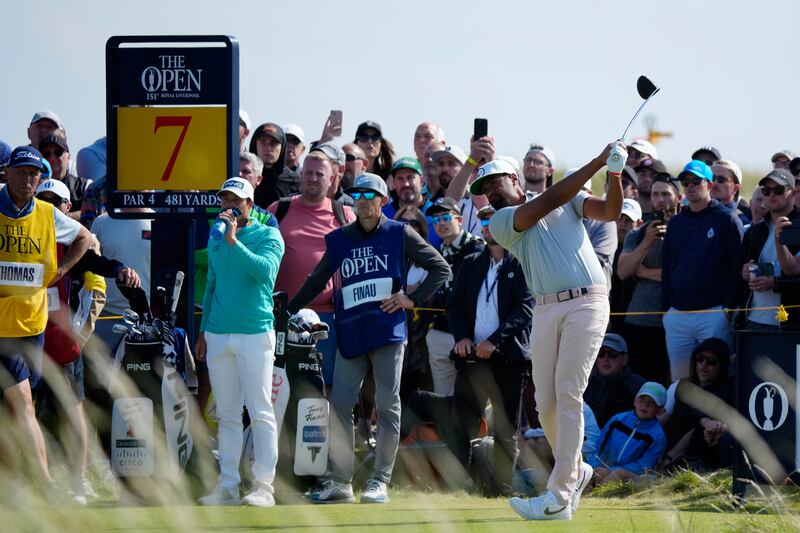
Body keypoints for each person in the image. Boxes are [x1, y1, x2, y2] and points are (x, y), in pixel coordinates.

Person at [462, 139, 627, 521]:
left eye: (494, 183)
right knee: (545, 404)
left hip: (587, 302)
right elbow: (547, 202)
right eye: (484, 190)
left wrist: (615, 174)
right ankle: (576, 470)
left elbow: (610, 210)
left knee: (568, 392)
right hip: (546, 308)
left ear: (514, 178)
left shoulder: (568, 196)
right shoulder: (501, 220)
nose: (490, 193)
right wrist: (597, 162)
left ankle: (558, 496)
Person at [289, 173, 449, 504]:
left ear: (383, 201)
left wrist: (411, 298)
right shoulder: (339, 239)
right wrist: (288, 309)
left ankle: (379, 481)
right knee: (340, 405)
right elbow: (317, 280)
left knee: (388, 405)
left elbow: (440, 268)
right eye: (357, 195)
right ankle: (341, 483)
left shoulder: (399, 232)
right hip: (351, 333)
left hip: (388, 332)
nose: (362, 201)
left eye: (369, 195)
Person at [0, 146, 91, 496]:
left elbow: (84, 238)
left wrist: (61, 270)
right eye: (21, 172)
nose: (27, 179)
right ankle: (47, 484)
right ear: (7, 173)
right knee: (22, 402)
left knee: (21, 407)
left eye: (33, 174)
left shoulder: (47, 213)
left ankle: (13, 483)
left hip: (32, 324)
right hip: (2, 327)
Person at [195, 177, 285, 507]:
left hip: (255, 332)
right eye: (225, 199)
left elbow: (265, 273)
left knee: (260, 411)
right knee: (228, 414)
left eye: (236, 200)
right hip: (218, 333)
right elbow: (211, 285)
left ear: (250, 205)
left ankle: (263, 487)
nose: (229, 205)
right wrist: (203, 330)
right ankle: (228, 486)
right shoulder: (216, 236)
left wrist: (234, 241)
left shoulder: (268, 234)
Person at [446, 205, 533, 494]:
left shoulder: (521, 262)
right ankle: (459, 488)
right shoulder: (470, 261)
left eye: (492, 221)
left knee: (506, 429)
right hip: (471, 356)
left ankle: (501, 490)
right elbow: (454, 304)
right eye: (483, 221)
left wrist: (495, 341)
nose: (487, 226)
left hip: (508, 357)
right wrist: (461, 337)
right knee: (462, 424)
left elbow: (525, 308)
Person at [268, 150, 356, 390]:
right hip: (284, 316)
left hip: (328, 318)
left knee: (326, 384)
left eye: (320, 174)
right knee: (279, 385)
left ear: (332, 178)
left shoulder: (344, 214)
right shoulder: (278, 209)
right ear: (301, 175)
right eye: (308, 173)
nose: (313, 178)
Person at [661, 160, 742, 380]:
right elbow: (668, 267)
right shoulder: (676, 223)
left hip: (713, 312)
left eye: (696, 181)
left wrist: (728, 308)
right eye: (686, 182)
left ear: (709, 184)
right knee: (680, 381)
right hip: (677, 314)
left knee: (719, 378)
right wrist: (666, 310)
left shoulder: (727, 219)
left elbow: (737, 266)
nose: (690, 186)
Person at [618, 175, 681, 385]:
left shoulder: (687, 230)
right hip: (640, 320)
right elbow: (623, 271)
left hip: (676, 318)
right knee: (641, 384)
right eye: (655, 194)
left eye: (666, 194)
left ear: (678, 198)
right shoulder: (638, 234)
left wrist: (643, 272)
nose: (660, 199)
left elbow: (682, 274)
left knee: (673, 383)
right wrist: (646, 242)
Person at [425, 197, 484, 395]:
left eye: (445, 217)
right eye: (436, 219)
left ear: (459, 219)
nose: (440, 223)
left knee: (475, 399)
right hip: (442, 330)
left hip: (471, 334)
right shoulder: (439, 252)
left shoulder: (476, 248)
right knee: (443, 397)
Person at [738, 169, 800, 330]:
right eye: (766, 191)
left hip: (792, 324)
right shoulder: (754, 231)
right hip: (754, 320)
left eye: (778, 190)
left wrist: (775, 283)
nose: (771, 195)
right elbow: (739, 272)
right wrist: (745, 272)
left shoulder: (798, 226)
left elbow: (793, 270)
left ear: (793, 193)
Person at [660, 338, 733, 472]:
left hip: (695, 460)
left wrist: (669, 458)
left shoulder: (727, 392)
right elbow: (661, 418)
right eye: (700, 359)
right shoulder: (682, 385)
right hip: (663, 450)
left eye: (711, 361)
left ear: (722, 366)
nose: (703, 365)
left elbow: (696, 425)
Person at [589, 382, 667, 485]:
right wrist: (594, 468)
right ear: (635, 401)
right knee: (589, 473)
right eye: (642, 399)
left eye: (652, 402)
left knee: (619, 474)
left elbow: (643, 467)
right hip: (603, 468)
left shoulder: (658, 436)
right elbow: (599, 449)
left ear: (660, 411)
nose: (645, 405)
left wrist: (609, 471)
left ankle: (598, 491)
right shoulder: (617, 420)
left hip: (633, 477)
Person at [583, 333, 646, 428]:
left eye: (612, 354)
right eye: (601, 353)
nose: (606, 358)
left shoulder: (640, 388)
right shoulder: (584, 382)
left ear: (624, 359)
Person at [249, 123, 300, 208]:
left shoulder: (295, 182)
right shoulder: (244, 176)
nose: (268, 148)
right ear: (255, 145)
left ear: (282, 147)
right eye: (263, 142)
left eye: (273, 143)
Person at [39, 135, 88, 220]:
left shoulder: (84, 186)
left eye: (58, 152)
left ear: (68, 157)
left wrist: (62, 218)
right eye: (46, 154)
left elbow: (93, 212)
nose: (52, 157)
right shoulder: (33, 185)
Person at [710, 160, 749, 225]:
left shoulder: (740, 221)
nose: (715, 183)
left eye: (721, 180)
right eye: (712, 178)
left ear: (735, 188)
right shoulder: (697, 213)